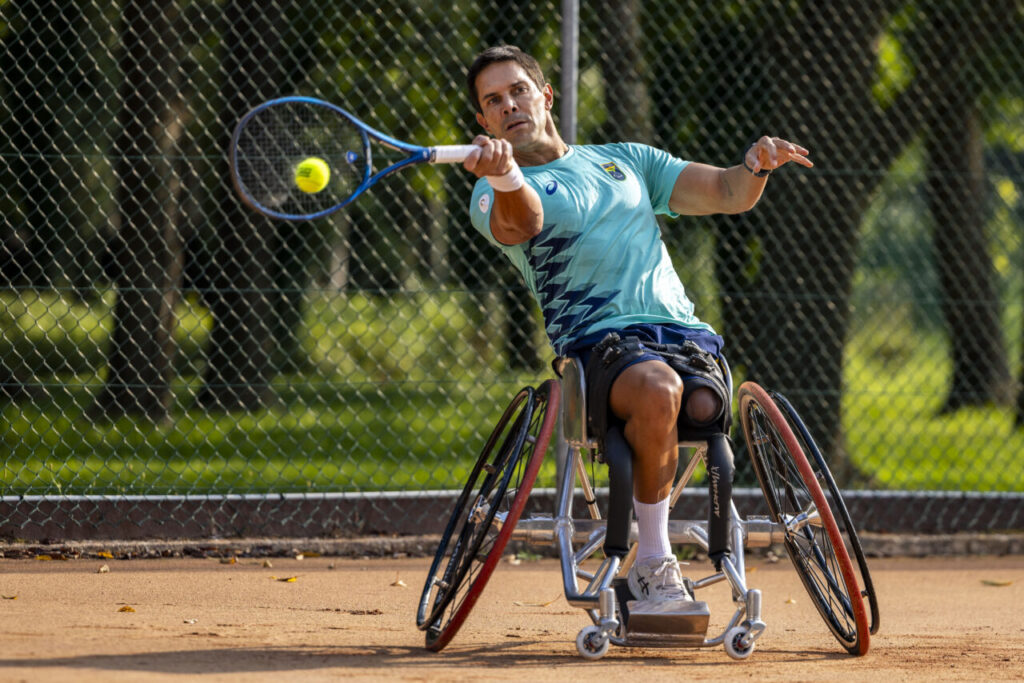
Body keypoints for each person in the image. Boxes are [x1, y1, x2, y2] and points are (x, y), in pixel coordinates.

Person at [462, 45, 812, 606]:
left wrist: (755, 166)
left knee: (699, 407)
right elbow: (522, 221)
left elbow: (726, 192)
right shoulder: (492, 190)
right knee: (658, 390)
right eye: (493, 101)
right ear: (483, 122)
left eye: (518, 91)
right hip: (598, 345)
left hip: (685, 337)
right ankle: (653, 564)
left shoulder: (626, 160)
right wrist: (504, 175)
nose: (509, 106)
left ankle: (675, 547)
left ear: (546, 95)